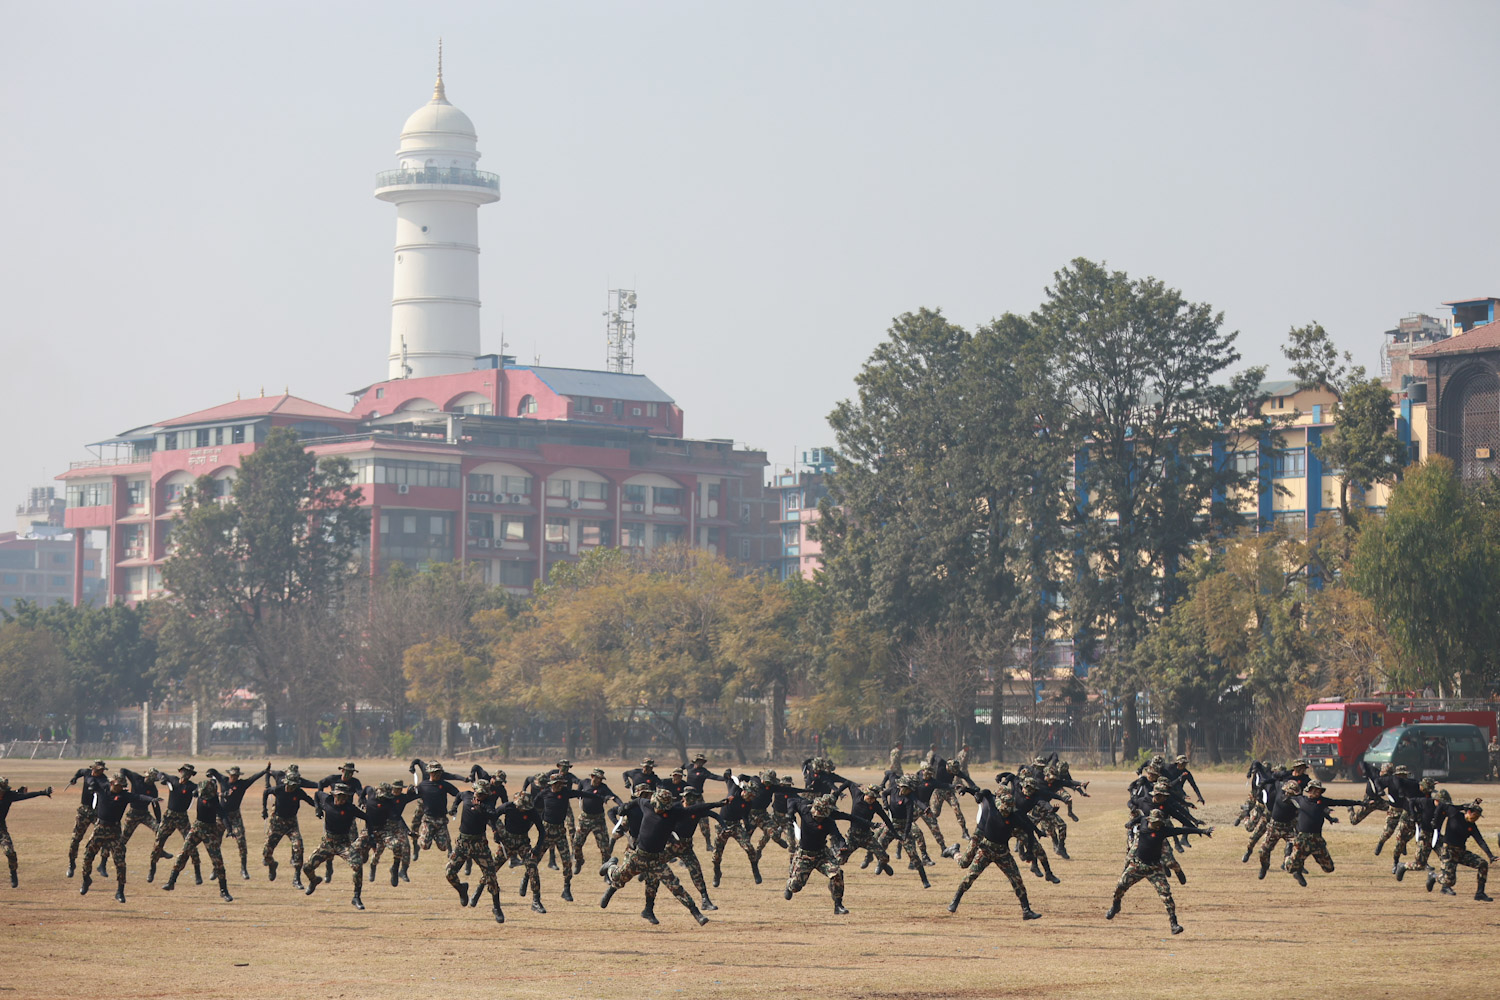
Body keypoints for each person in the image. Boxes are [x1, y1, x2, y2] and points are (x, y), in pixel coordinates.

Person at [599, 787, 713, 925]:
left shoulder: (672, 813)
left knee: (675, 886)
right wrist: (624, 808)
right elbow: (632, 804)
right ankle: (610, 865)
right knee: (618, 877)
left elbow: (696, 809)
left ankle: (696, 913)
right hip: (638, 856)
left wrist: (720, 803)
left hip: (656, 860)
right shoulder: (645, 806)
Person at [1106, 809, 1212, 934]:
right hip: (1137, 865)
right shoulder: (1145, 821)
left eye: (1159, 823)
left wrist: (1202, 831)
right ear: (1150, 820)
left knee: (1166, 895)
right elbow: (1139, 818)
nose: (1157, 826)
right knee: (1120, 885)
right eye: (1155, 823)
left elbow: (1181, 830)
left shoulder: (1163, 831)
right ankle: (1116, 905)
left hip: (1154, 869)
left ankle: (1174, 924)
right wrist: (1131, 822)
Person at [949, 782, 1041, 919]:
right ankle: (954, 901)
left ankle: (1026, 911)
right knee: (970, 876)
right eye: (1003, 806)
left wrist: (1029, 852)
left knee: (1017, 880)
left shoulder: (1015, 816)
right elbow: (985, 792)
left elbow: (1029, 831)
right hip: (985, 849)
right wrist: (972, 792)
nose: (1005, 810)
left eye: (1008, 807)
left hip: (1002, 853)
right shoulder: (993, 806)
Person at [79, 773, 154, 903]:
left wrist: (151, 799)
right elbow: (89, 777)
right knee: (87, 856)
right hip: (100, 829)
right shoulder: (103, 789)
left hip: (114, 831)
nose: (120, 788)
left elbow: (138, 797)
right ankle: (86, 880)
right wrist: (91, 782)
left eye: (122, 786)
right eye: (118, 785)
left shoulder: (124, 796)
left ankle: (120, 891)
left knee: (120, 862)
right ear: (112, 783)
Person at [784, 793, 861, 914]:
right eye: (818, 816)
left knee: (837, 874)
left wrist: (843, 846)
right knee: (796, 886)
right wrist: (790, 813)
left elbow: (838, 836)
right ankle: (789, 885)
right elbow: (791, 799)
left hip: (822, 855)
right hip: (804, 855)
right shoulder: (805, 809)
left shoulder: (828, 821)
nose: (820, 818)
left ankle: (838, 905)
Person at [162, 773, 234, 902]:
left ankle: (224, 891)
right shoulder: (198, 791)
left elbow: (223, 814)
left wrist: (229, 829)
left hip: (210, 831)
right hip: (196, 828)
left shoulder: (214, 801)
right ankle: (171, 882)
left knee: (218, 862)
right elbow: (187, 790)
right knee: (183, 853)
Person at [1284, 779, 1362, 886]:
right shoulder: (1300, 800)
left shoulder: (1322, 801)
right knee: (1289, 868)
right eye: (1314, 790)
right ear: (1309, 790)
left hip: (1317, 840)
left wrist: (1359, 802)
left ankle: (1311, 857)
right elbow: (1284, 800)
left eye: (1319, 791)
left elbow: (1339, 802)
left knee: (1329, 868)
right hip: (1302, 840)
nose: (1317, 793)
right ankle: (1290, 858)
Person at [447, 779, 505, 923]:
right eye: (479, 793)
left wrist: (482, 811)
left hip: (479, 844)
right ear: (474, 790)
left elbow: (493, 815)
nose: (481, 796)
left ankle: (496, 907)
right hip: (463, 843)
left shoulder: (488, 804)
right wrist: (454, 807)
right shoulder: (466, 795)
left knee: (491, 876)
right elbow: (459, 795)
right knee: (449, 873)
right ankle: (462, 889)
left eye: (484, 794)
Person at [303, 783, 367, 910]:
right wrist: (318, 809)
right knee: (307, 867)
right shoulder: (327, 800)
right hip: (328, 843)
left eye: (344, 797)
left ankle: (356, 897)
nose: (341, 800)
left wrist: (370, 835)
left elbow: (367, 818)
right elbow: (316, 794)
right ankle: (314, 880)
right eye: (339, 796)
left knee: (358, 865)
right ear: (334, 795)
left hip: (343, 844)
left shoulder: (350, 808)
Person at [204, 762, 270, 880]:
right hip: (221, 815)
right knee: (216, 842)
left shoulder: (242, 784)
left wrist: (265, 771)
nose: (234, 778)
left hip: (235, 816)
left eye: (236, 776)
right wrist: (209, 772)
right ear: (229, 774)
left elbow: (253, 778)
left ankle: (243, 869)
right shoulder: (223, 780)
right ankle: (216, 868)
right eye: (232, 775)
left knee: (241, 841)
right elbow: (214, 771)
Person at [491, 788, 547, 913]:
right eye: (521, 807)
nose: (523, 810)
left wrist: (537, 848)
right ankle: (478, 891)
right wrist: (495, 832)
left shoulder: (531, 811)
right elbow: (492, 817)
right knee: (491, 869)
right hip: (507, 842)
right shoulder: (508, 807)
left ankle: (536, 902)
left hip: (523, 844)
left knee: (533, 869)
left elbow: (542, 831)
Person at [262, 764, 317, 888]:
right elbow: (266, 792)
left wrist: (322, 807)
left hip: (292, 823)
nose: (292, 788)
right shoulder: (279, 789)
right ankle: (272, 865)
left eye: (295, 786)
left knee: (298, 846)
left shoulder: (298, 792)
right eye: (291, 785)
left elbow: (310, 801)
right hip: (277, 822)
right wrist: (264, 810)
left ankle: (296, 878)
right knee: (266, 852)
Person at [1428, 799, 1495, 900]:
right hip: (1448, 851)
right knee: (1450, 881)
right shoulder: (1455, 814)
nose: (1475, 819)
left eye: (1477, 817)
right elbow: (1442, 805)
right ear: (1468, 812)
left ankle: (1480, 893)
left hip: (1461, 852)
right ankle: (1433, 876)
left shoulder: (1472, 826)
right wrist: (1435, 822)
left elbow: (1480, 841)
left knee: (1482, 864)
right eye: (1475, 816)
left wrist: (1490, 855)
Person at [148, 764, 202, 885]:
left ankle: (197, 871)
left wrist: (197, 792)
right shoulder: (173, 780)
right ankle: (152, 869)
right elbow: (160, 773)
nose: (186, 775)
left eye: (189, 773)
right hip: (169, 817)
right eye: (185, 772)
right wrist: (163, 778)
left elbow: (201, 789)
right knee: (159, 841)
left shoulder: (192, 786)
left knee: (191, 843)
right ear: (180, 771)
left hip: (182, 818)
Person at [361, 782, 419, 888]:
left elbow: (398, 816)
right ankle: (373, 866)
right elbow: (366, 790)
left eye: (400, 789)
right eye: (395, 789)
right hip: (384, 826)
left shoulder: (402, 798)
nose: (397, 791)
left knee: (404, 846)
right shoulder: (385, 798)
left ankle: (402, 870)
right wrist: (362, 801)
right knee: (378, 850)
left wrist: (413, 789)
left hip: (396, 826)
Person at [710, 775, 765, 887]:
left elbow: (744, 815)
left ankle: (755, 870)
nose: (750, 798)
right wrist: (728, 773)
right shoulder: (734, 789)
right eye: (749, 795)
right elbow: (728, 778)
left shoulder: (748, 803)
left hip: (736, 825)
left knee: (749, 848)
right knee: (716, 854)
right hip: (723, 824)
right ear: (745, 791)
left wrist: (748, 826)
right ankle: (717, 872)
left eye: (752, 797)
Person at [0, 775, 51, 887]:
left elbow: (25, 796)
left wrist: (41, 792)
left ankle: (13, 873)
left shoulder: (9, 796)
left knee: (10, 852)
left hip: (1, 830)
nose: (3, 792)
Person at [571, 768, 623, 873]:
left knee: (605, 848)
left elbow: (614, 797)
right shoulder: (583, 783)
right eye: (597, 778)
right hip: (584, 818)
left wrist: (622, 805)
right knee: (576, 843)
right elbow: (578, 794)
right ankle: (579, 861)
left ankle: (607, 870)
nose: (599, 781)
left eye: (600, 779)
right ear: (592, 777)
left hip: (598, 820)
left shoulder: (603, 788)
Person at [65, 759, 110, 878]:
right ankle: (71, 864)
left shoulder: (103, 780)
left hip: (97, 812)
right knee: (75, 839)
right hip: (84, 810)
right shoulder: (86, 772)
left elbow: (106, 786)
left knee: (106, 837)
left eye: (102, 770)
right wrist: (75, 778)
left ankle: (103, 864)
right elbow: (80, 771)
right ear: (93, 768)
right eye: (98, 769)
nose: (100, 772)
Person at [682, 753, 733, 851]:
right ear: (695, 761)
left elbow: (715, 777)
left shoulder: (703, 772)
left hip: (698, 798)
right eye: (698, 761)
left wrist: (726, 778)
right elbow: (682, 766)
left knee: (704, 820)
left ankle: (708, 844)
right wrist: (679, 772)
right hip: (687, 798)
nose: (700, 763)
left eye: (702, 762)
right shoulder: (689, 767)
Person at [414, 761, 462, 857]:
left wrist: (454, 807)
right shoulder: (423, 785)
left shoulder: (444, 785)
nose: (437, 775)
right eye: (435, 772)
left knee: (443, 847)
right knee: (424, 846)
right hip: (428, 819)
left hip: (441, 819)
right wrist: (411, 790)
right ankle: (426, 836)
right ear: (430, 773)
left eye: (439, 772)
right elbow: (410, 796)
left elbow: (459, 795)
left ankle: (435, 834)